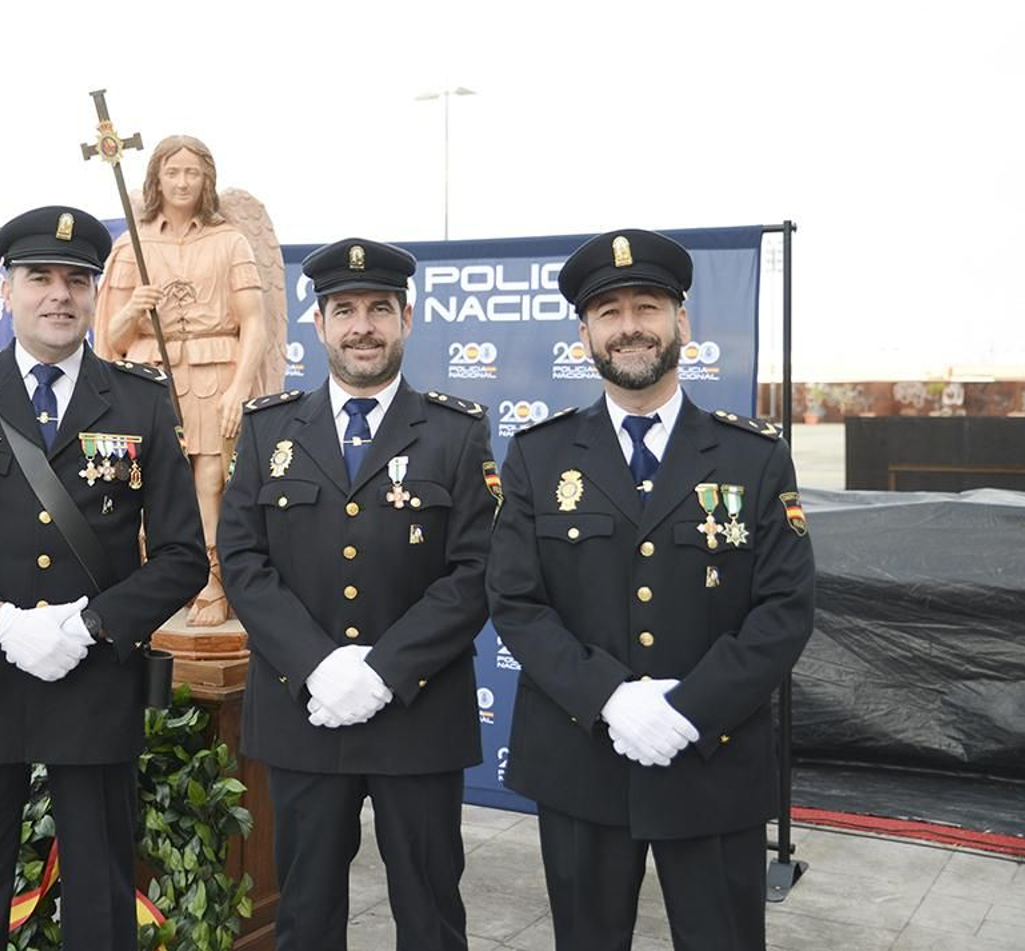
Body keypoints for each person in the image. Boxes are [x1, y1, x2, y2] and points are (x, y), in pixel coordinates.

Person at [486, 229, 816, 951]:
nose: (629, 326)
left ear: (682, 323)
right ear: (585, 335)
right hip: (582, 761)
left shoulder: (754, 456)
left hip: (712, 763)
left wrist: (689, 709)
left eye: (647, 307)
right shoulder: (538, 456)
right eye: (608, 312)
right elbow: (515, 600)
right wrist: (610, 698)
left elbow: (785, 608)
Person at [0, 205, 205, 951]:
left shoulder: (139, 400)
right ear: (7, 289)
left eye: (77, 279)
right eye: (40, 277)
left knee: (101, 893)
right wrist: (0, 622)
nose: (59, 295)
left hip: (94, 679)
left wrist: (87, 626)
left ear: (96, 292)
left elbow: (182, 556)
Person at [218, 239, 496, 951]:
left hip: (418, 715)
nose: (362, 327)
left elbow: (476, 571)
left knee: (430, 916)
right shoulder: (269, 428)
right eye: (344, 310)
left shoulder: (457, 433)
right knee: (305, 915)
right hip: (303, 712)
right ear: (319, 323)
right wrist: (317, 665)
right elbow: (243, 560)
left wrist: (382, 672)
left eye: (379, 309)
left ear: (407, 318)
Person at [95, 135, 267, 625]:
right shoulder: (132, 245)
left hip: (215, 373)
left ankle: (212, 581)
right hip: (152, 378)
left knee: (210, 479)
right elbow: (111, 336)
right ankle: (158, 580)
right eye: (173, 172)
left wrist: (239, 389)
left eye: (193, 172)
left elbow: (254, 322)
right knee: (153, 481)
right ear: (157, 178)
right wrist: (135, 307)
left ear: (207, 178)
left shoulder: (230, 241)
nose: (183, 182)